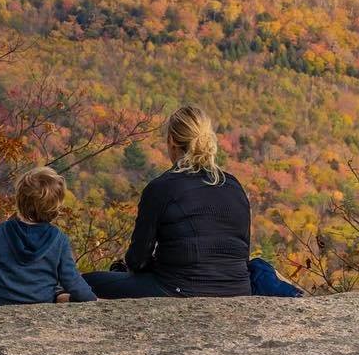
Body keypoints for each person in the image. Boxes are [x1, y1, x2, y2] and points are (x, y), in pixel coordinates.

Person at [84, 105, 253, 299]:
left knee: (85, 282)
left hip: (179, 288)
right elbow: (243, 253)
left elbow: (137, 260)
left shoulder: (162, 188)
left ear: (172, 141)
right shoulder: (233, 186)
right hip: (238, 288)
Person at [0, 166, 96, 307]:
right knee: (58, 292)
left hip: (0, 300)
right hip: (41, 299)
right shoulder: (59, 239)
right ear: (55, 206)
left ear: (19, 200)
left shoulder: (2, 230)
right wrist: (89, 297)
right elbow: (71, 279)